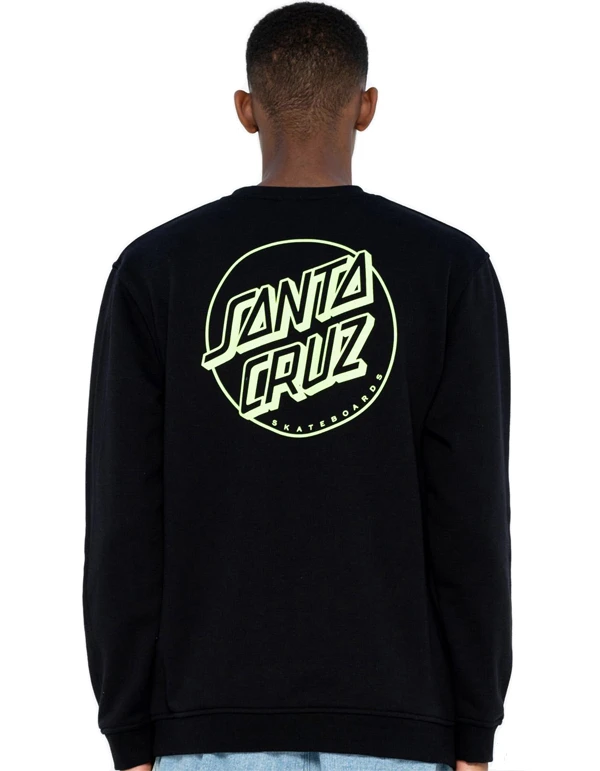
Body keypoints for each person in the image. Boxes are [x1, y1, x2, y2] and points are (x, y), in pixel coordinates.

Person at [82, 3, 513, 771]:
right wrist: (475, 725)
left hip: (204, 725)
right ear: (368, 106)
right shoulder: (448, 269)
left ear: (246, 109)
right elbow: (471, 516)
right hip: (399, 726)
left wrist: (129, 730)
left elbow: (122, 519)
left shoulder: (156, 270)